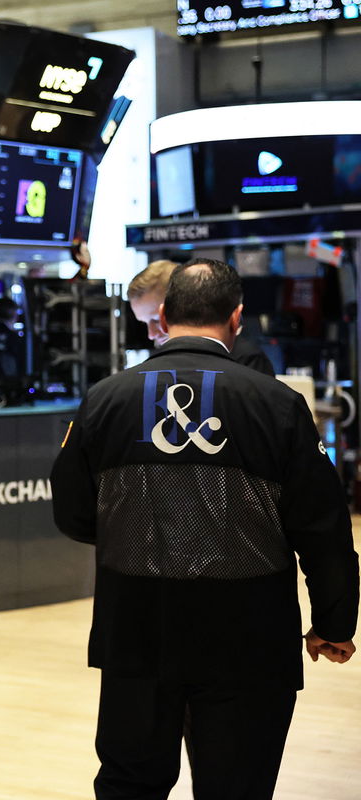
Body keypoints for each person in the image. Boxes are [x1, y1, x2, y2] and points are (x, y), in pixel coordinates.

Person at [50, 258, 359, 800]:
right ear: (237, 318)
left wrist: (138, 532)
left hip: (135, 631)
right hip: (248, 637)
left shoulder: (105, 399)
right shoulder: (279, 404)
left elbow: (73, 513)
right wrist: (334, 621)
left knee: (129, 785)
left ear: (164, 315)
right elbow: (323, 529)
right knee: (236, 788)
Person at [128, 259, 275, 376]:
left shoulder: (247, 359)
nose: (151, 334)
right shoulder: (152, 367)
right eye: (144, 323)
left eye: (156, 319)